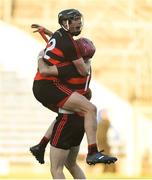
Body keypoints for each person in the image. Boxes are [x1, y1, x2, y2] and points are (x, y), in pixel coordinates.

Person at [30, 8, 117, 165]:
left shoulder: (60, 35)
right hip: (47, 86)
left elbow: (56, 51)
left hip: (43, 86)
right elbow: (77, 64)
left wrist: (40, 55)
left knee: (64, 114)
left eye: (78, 19)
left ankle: (41, 145)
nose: (78, 23)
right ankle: (92, 151)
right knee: (90, 109)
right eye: (75, 20)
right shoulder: (76, 63)